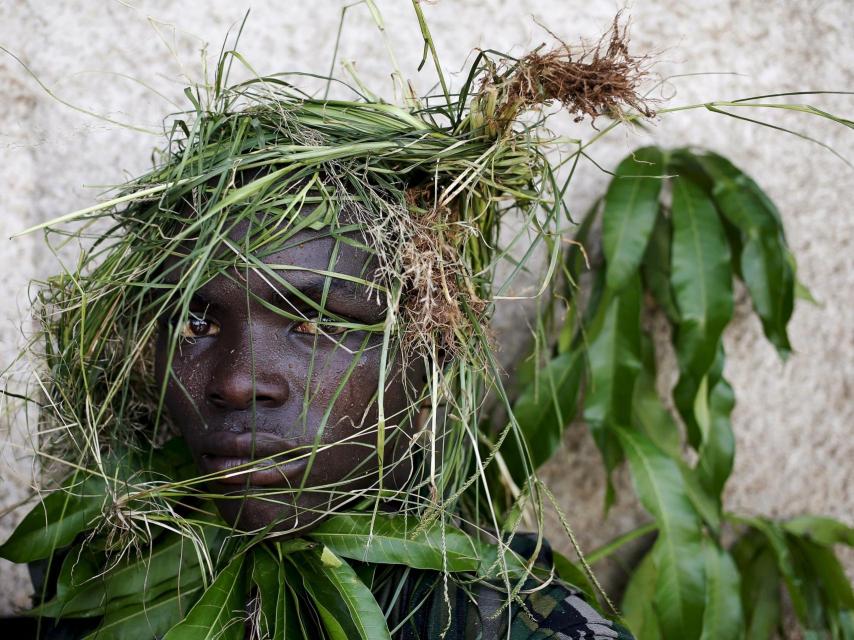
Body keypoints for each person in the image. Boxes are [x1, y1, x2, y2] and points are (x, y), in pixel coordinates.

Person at [1, 31, 644, 639]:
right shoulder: (94, 580)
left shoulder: (509, 622)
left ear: (429, 360)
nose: (233, 382)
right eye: (195, 322)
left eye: (314, 321)